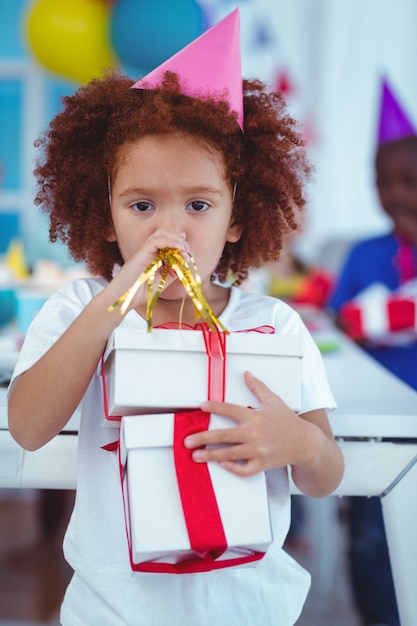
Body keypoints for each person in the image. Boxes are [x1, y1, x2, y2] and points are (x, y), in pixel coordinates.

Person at [8, 10, 344, 626]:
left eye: (198, 203)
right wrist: (115, 303)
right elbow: (28, 427)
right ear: (107, 218)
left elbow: (325, 473)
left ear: (236, 218)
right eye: (142, 204)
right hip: (110, 611)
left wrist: (298, 443)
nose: (171, 229)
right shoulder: (82, 310)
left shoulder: (274, 324)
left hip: (251, 610)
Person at [326, 77, 417, 626]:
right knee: (372, 537)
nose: (396, 194)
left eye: (410, 181)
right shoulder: (365, 254)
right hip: (373, 424)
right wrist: (365, 318)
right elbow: (338, 324)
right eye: (384, 183)